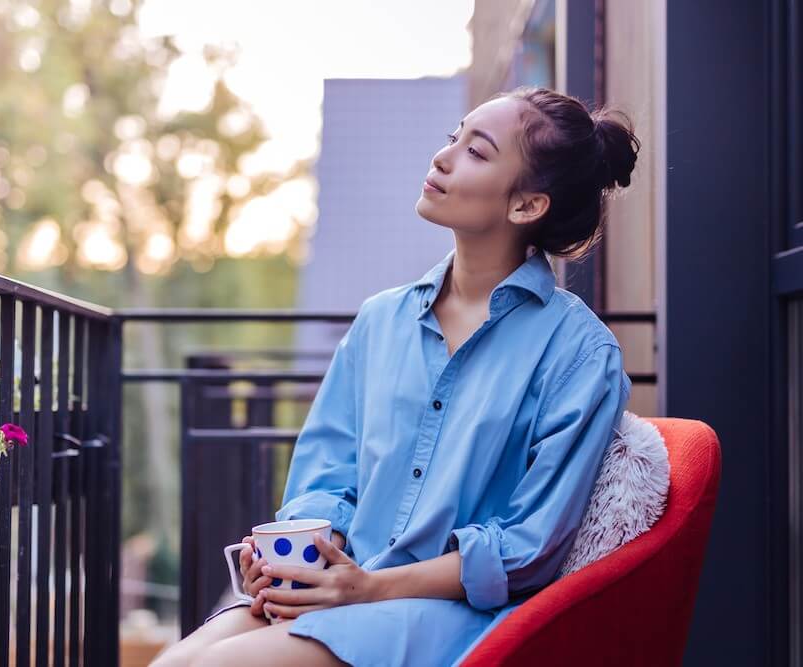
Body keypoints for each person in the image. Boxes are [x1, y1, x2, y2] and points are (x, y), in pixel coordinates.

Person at [150, 84, 640, 667]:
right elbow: (327, 472)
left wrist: (367, 587)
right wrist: (305, 555)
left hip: (451, 616)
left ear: (527, 206)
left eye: (477, 152)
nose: (443, 157)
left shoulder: (580, 354)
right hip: (342, 587)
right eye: (452, 138)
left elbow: (527, 549)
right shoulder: (381, 319)